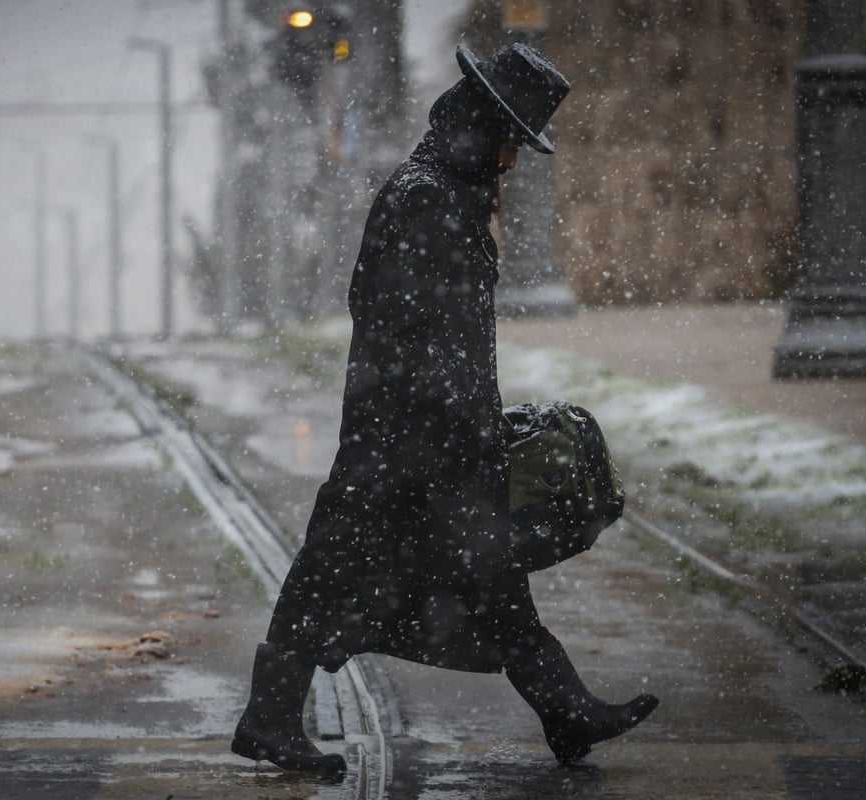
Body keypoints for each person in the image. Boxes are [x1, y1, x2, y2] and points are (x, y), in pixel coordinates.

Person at [231, 43, 659, 776]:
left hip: (427, 433)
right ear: (481, 128)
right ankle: (269, 719)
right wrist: (453, 422)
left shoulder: (441, 192)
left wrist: (474, 423)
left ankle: (565, 710)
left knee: (481, 572)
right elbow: (414, 327)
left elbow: (443, 332)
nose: (514, 162)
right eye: (511, 143)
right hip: (405, 437)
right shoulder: (426, 197)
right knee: (336, 568)